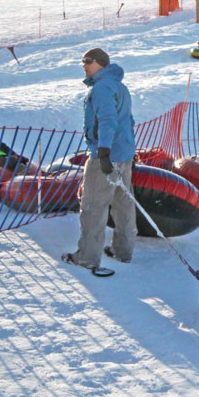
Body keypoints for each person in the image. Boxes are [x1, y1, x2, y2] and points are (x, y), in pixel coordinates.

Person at [62, 48, 137, 270]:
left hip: (105, 156)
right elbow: (128, 121)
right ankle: (123, 251)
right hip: (123, 155)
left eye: (88, 61)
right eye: (83, 62)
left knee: (93, 206)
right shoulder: (119, 86)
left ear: (100, 63)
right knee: (123, 204)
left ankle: (87, 256)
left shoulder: (102, 88)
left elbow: (107, 120)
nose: (84, 66)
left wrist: (103, 152)